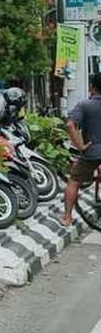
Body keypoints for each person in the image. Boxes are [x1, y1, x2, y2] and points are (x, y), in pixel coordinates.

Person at [63, 73, 101, 226]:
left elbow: (70, 125)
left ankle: (67, 217)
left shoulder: (84, 105)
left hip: (91, 152)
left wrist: (79, 145)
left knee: (73, 182)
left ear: (92, 86)